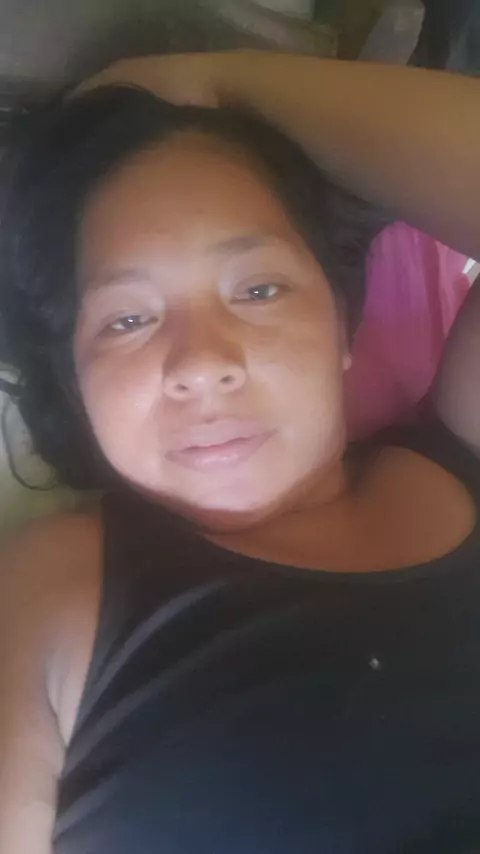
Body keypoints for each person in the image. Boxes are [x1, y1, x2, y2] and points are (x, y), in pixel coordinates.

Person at [1, 52, 480, 854]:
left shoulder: (458, 449)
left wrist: (214, 81)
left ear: (341, 324)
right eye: (127, 320)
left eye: (259, 290)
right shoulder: (55, 587)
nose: (201, 363)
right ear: (78, 385)